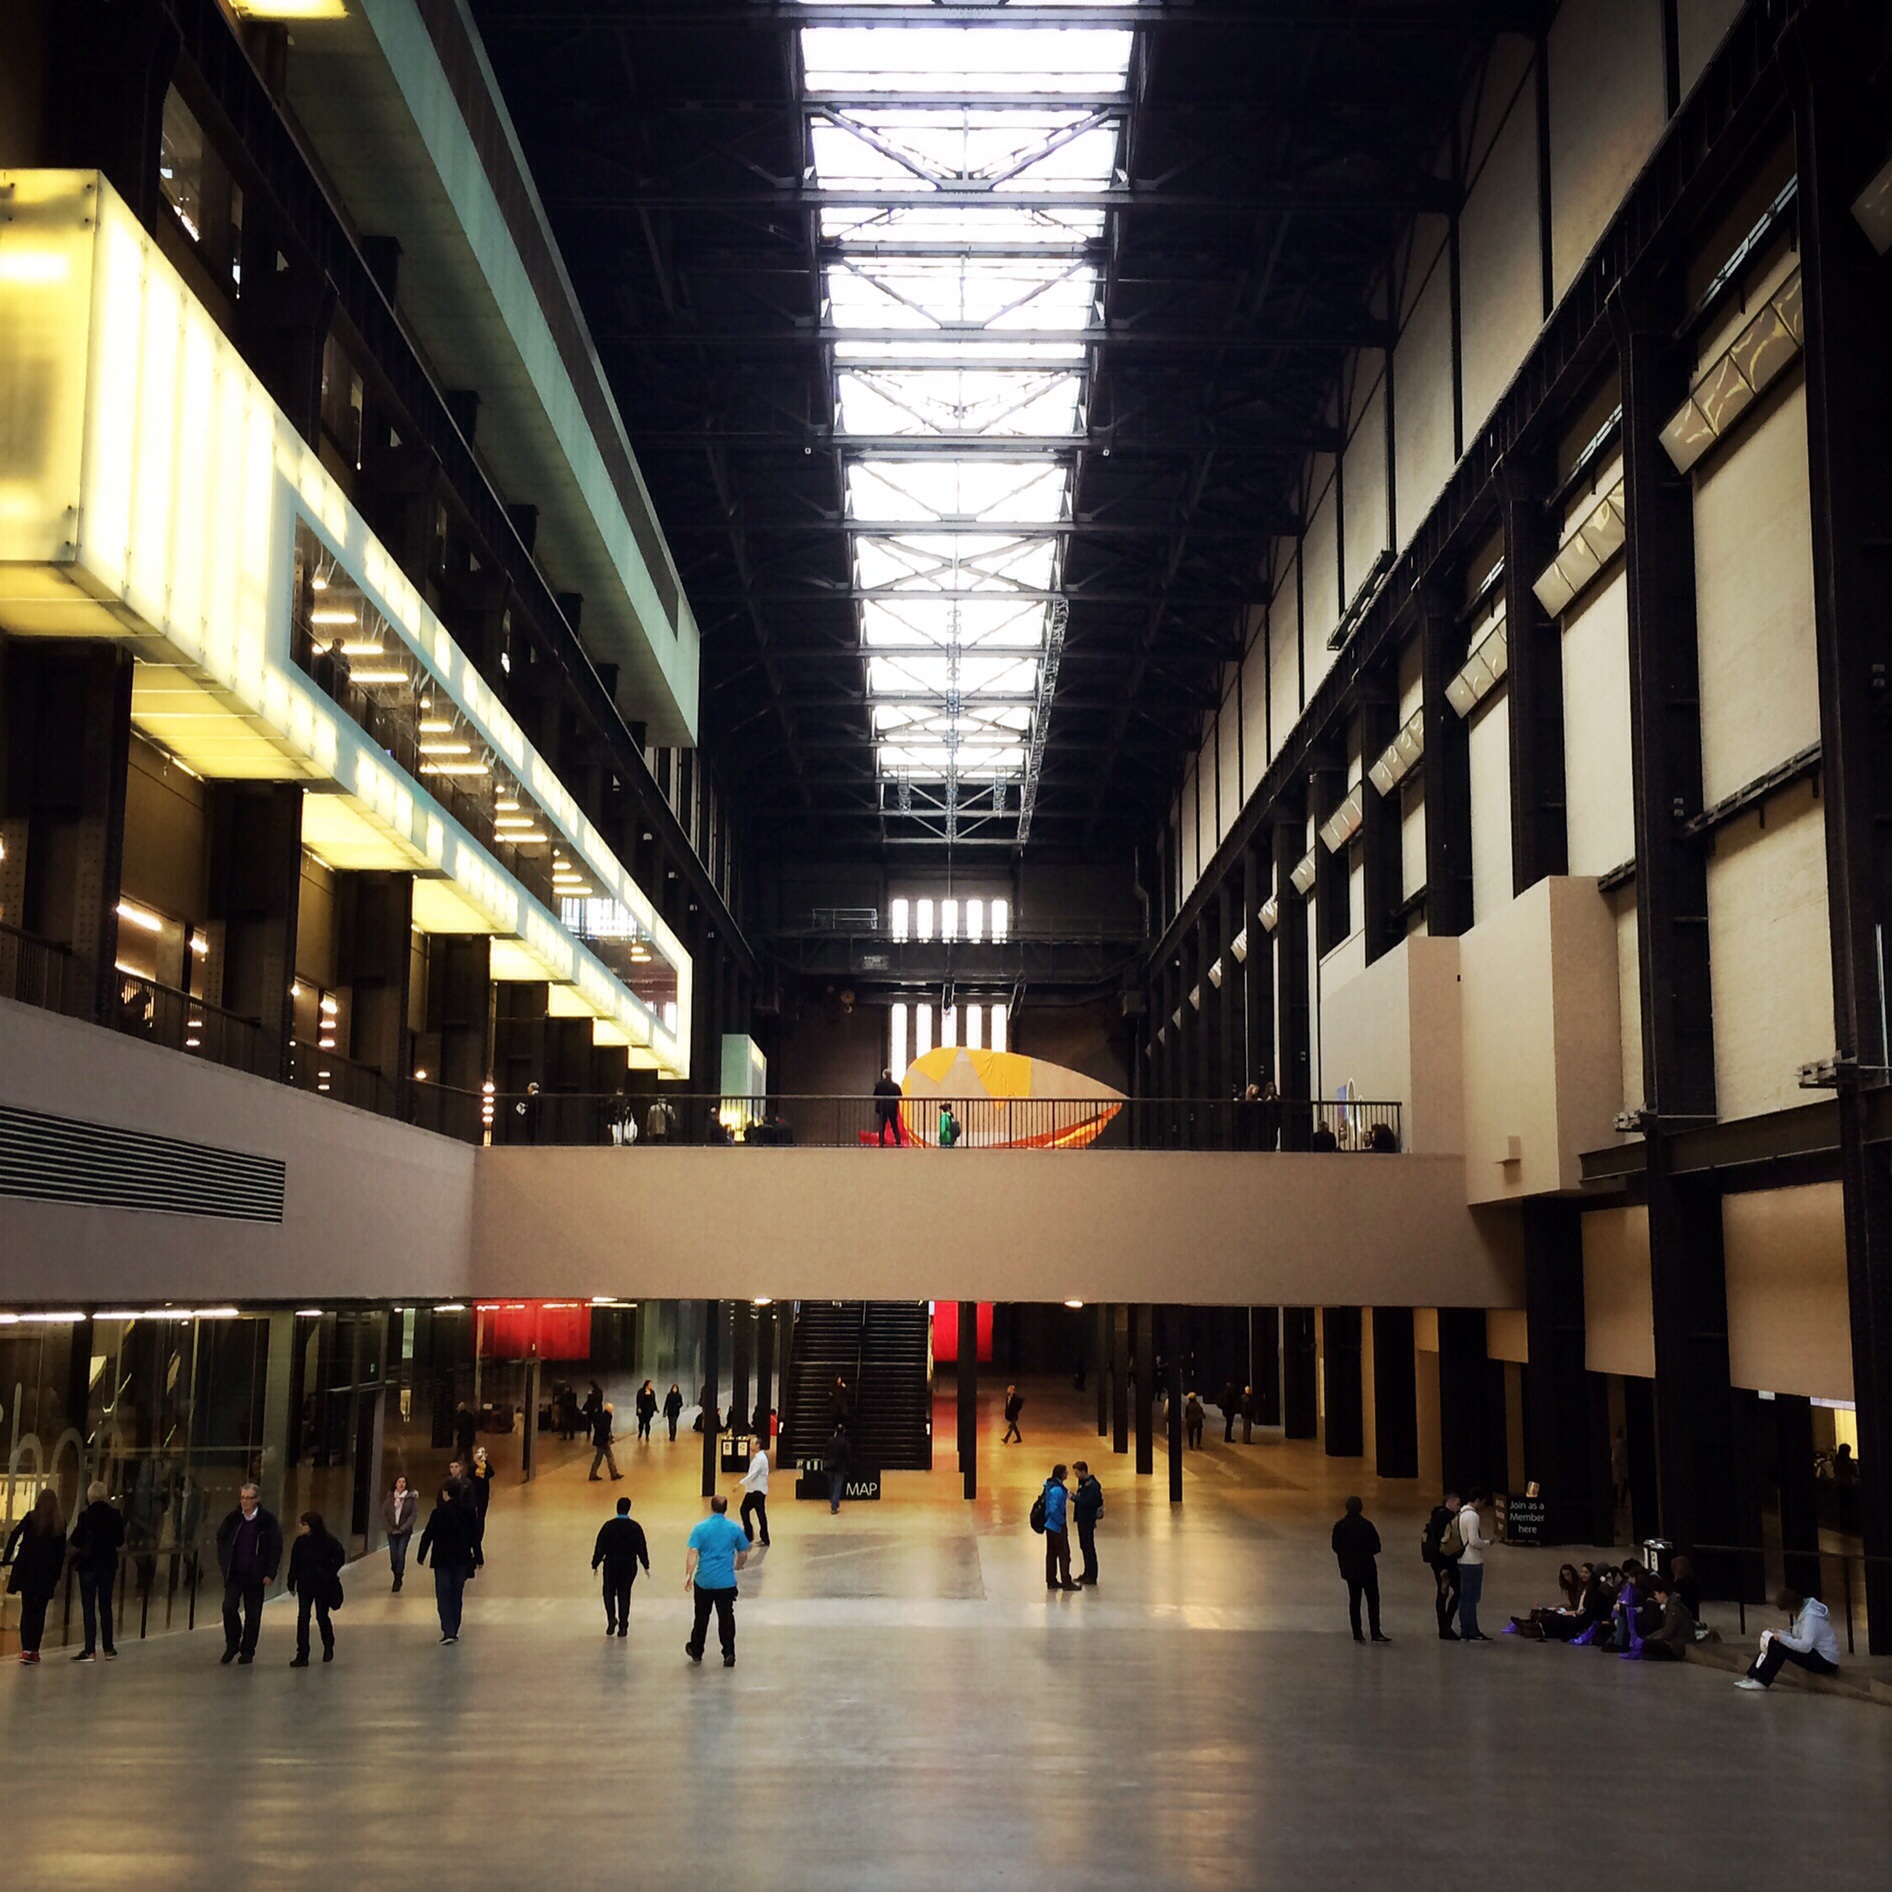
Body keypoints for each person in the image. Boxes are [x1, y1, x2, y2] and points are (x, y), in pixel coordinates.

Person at [215, 1482, 284, 1666]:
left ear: (257, 1499)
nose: (245, 1502)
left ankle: (248, 1650)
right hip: (235, 1573)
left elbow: (276, 1548)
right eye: (242, 1498)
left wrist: (270, 1572)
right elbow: (221, 1538)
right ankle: (232, 1642)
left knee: (253, 1614)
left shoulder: (267, 1521)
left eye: (249, 1498)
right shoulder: (234, 1519)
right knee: (229, 1607)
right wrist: (225, 1562)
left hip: (256, 1575)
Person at [684, 1494, 750, 1668]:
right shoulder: (734, 1529)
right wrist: (738, 1565)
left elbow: (693, 1553)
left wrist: (688, 1575)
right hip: (726, 1582)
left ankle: (697, 1650)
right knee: (726, 1617)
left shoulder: (700, 1528)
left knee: (701, 1617)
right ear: (726, 1509)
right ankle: (729, 1652)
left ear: (711, 1507)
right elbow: (743, 1552)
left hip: (704, 1581)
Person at [5, 1489, 67, 1665]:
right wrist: (56, 1575)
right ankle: (34, 1649)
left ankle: (25, 1649)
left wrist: (6, 1558)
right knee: (40, 1612)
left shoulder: (32, 1518)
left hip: (28, 1571)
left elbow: (15, 1533)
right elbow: (60, 1552)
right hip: (46, 1574)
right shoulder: (59, 1523)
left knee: (27, 1610)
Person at [1737, 1588, 1842, 1691]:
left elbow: (1805, 1646)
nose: (1789, 1613)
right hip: (1815, 1653)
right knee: (1773, 1641)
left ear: (1792, 1607)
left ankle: (1761, 1681)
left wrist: (1783, 1638)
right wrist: (1779, 1633)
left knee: (1780, 1647)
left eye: (1787, 1610)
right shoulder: (1803, 1613)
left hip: (1826, 1661)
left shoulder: (1811, 1617)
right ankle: (1751, 1675)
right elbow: (1797, 1636)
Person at [68, 1481, 126, 1661]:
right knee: (105, 1606)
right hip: (108, 1565)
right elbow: (120, 1540)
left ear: (90, 1495)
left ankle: (89, 1649)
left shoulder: (85, 1516)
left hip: (88, 1566)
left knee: (88, 1607)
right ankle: (108, 1648)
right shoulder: (115, 1515)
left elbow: (76, 1540)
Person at [416, 1481, 476, 1644]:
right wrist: (478, 1556)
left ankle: (448, 1629)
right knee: (456, 1594)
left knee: (443, 1595)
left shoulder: (438, 1512)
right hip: (461, 1559)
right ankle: (455, 1628)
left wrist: (421, 1554)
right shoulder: (468, 1512)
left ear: (446, 1493)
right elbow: (474, 1536)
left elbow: (428, 1534)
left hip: (442, 1560)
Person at [285, 1511, 345, 1668]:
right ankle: (302, 1654)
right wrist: (291, 1583)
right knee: (303, 1617)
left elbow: (340, 1557)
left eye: (304, 1524)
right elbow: (294, 1563)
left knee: (321, 1616)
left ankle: (328, 1644)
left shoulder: (329, 1541)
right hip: (305, 1584)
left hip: (323, 1585)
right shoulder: (300, 1542)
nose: (300, 1527)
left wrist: (329, 1574)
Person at [1331, 1496, 1388, 1643]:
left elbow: (1335, 1546)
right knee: (1373, 1600)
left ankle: (1357, 1633)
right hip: (1367, 1567)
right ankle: (1375, 1631)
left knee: (1354, 1600)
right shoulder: (1367, 1525)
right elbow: (1376, 1547)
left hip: (1350, 1569)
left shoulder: (1340, 1526)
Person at [591, 1494, 650, 1638]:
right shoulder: (635, 1527)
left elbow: (600, 1545)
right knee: (624, 1593)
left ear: (617, 1509)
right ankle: (623, 1626)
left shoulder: (608, 1526)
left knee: (608, 1592)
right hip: (628, 1564)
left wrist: (595, 1563)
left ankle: (611, 1618)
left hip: (611, 1564)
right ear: (629, 1509)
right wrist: (645, 1564)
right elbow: (641, 1547)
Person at [1422, 1491, 1464, 1639]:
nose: (1459, 1508)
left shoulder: (1434, 1518)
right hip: (1447, 1559)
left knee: (1441, 1593)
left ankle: (1443, 1627)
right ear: (1450, 1503)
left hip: (1435, 1560)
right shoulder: (1449, 1518)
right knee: (1458, 1590)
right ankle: (1447, 1623)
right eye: (1457, 1504)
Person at [1627, 1575, 1692, 1663]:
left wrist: (1651, 1639)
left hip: (1676, 1644)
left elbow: (1668, 1631)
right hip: (1673, 1640)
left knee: (1647, 1644)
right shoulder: (1671, 1606)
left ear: (1662, 1593)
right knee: (1645, 1642)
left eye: (1656, 1593)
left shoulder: (1674, 1608)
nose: (1655, 1596)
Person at [1456, 1489, 1493, 1640]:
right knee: (1472, 1598)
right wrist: (1488, 1543)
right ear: (1478, 1500)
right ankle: (1472, 1630)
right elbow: (1474, 1541)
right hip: (1472, 1561)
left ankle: (1465, 1629)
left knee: (1464, 1597)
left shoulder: (1461, 1514)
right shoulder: (1472, 1516)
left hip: (1462, 1560)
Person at [1040, 1464, 1077, 1592]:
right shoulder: (1057, 1490)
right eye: (1065, 1472)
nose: (1067, 1473)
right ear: (1061, 1474)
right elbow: (1053, 1508)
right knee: (1064, 1553)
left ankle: (1051, 1580)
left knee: (1051, 1554)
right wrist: (1061, 1522)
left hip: (1049, 1525)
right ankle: (1066, 1580)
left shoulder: (1051, 1486)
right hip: (1056, 1526)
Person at [1072, 1461, 1104, 1586]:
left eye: (1077, 1473)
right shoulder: (1084, 1483)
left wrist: (1074, 1498)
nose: (1076, 1475)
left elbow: (1088, 1502)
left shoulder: (1092, 1485)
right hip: (1082, 1518)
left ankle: (1092, 1575)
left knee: (1089, 1546)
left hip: (1087, 1519)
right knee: (1084, 1546)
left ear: (1084, 1471)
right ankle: (1087, 1572)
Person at [384, 1475, 417, 1593]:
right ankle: (395, 1571)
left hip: (404, 1532)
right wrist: (389, 1528)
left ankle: (398, 1578)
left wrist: (403, 1528)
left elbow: (413, 1515)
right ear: (395, 1484)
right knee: (393, 1556)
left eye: (403, 1482)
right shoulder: (390, 1497)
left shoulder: (411, 1498)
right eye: (399, 1481)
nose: (401, 1484)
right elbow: (385, 1514)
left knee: (400, 1553)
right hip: (392, 1532)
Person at [740, 1438, 771, 1547]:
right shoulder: (758, 1457)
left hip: (756, 1490)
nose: (750, 1445)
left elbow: (752, 1474)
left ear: (758, 1445)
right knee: (759, 1513)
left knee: (744, 1510)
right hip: (757, 1489)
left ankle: (749, 1534)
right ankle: (763, 1537)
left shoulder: (760, 1459)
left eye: (753, 1443)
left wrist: (740, 1483)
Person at [590, 1400, 623, 1482]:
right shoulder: (607, 1417)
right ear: (610, 1410)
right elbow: (605, 1429)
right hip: (603, 1441)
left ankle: (592, 1474)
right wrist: (608, 1438)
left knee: (598, 1458)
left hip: (599, 1440)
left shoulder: (601, 1416)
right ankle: (614, 1474)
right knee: (610, 1457)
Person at [469, 1445, 495, 1546]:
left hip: (483, 1495)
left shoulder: (486, 1466)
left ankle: (478, 1539)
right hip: (474, 1494)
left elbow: (491, 1473)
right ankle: (473, 1537)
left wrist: (484, 1465)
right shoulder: (472, 1467)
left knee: (481, 1517)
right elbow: (469, 1477)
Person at [824, 1423, 852, 1514]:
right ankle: (834, 1506)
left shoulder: (830, 1440)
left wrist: (824, 1463)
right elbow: (848, 1456)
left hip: (830, 1466)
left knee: (831, 1486)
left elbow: (825, 1453)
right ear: (844, 1432)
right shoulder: (845, 1443)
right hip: (840, 1467)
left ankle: (833, 1501)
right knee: (837, 1486)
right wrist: (848, 1467)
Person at [873, 1068, 904, 1146]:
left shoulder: (879, 1085)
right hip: (892, 1108)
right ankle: (898, 1141)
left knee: (882, 1125)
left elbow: (874, 1095)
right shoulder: (895, 1086)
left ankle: (881, 1142)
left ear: (884, 1075)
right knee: (894, 1125)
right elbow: (900, 1096)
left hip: (882, 1108)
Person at [1219, 1379, 1240, 1444]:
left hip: (1227, 1411)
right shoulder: (1228, 1394)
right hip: (1229, 1411)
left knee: (1229, 1425)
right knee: (1229, 1425)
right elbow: (1227, 1403)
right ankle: (1227, 1438)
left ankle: (1228, 1437)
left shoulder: (1225, 1393)